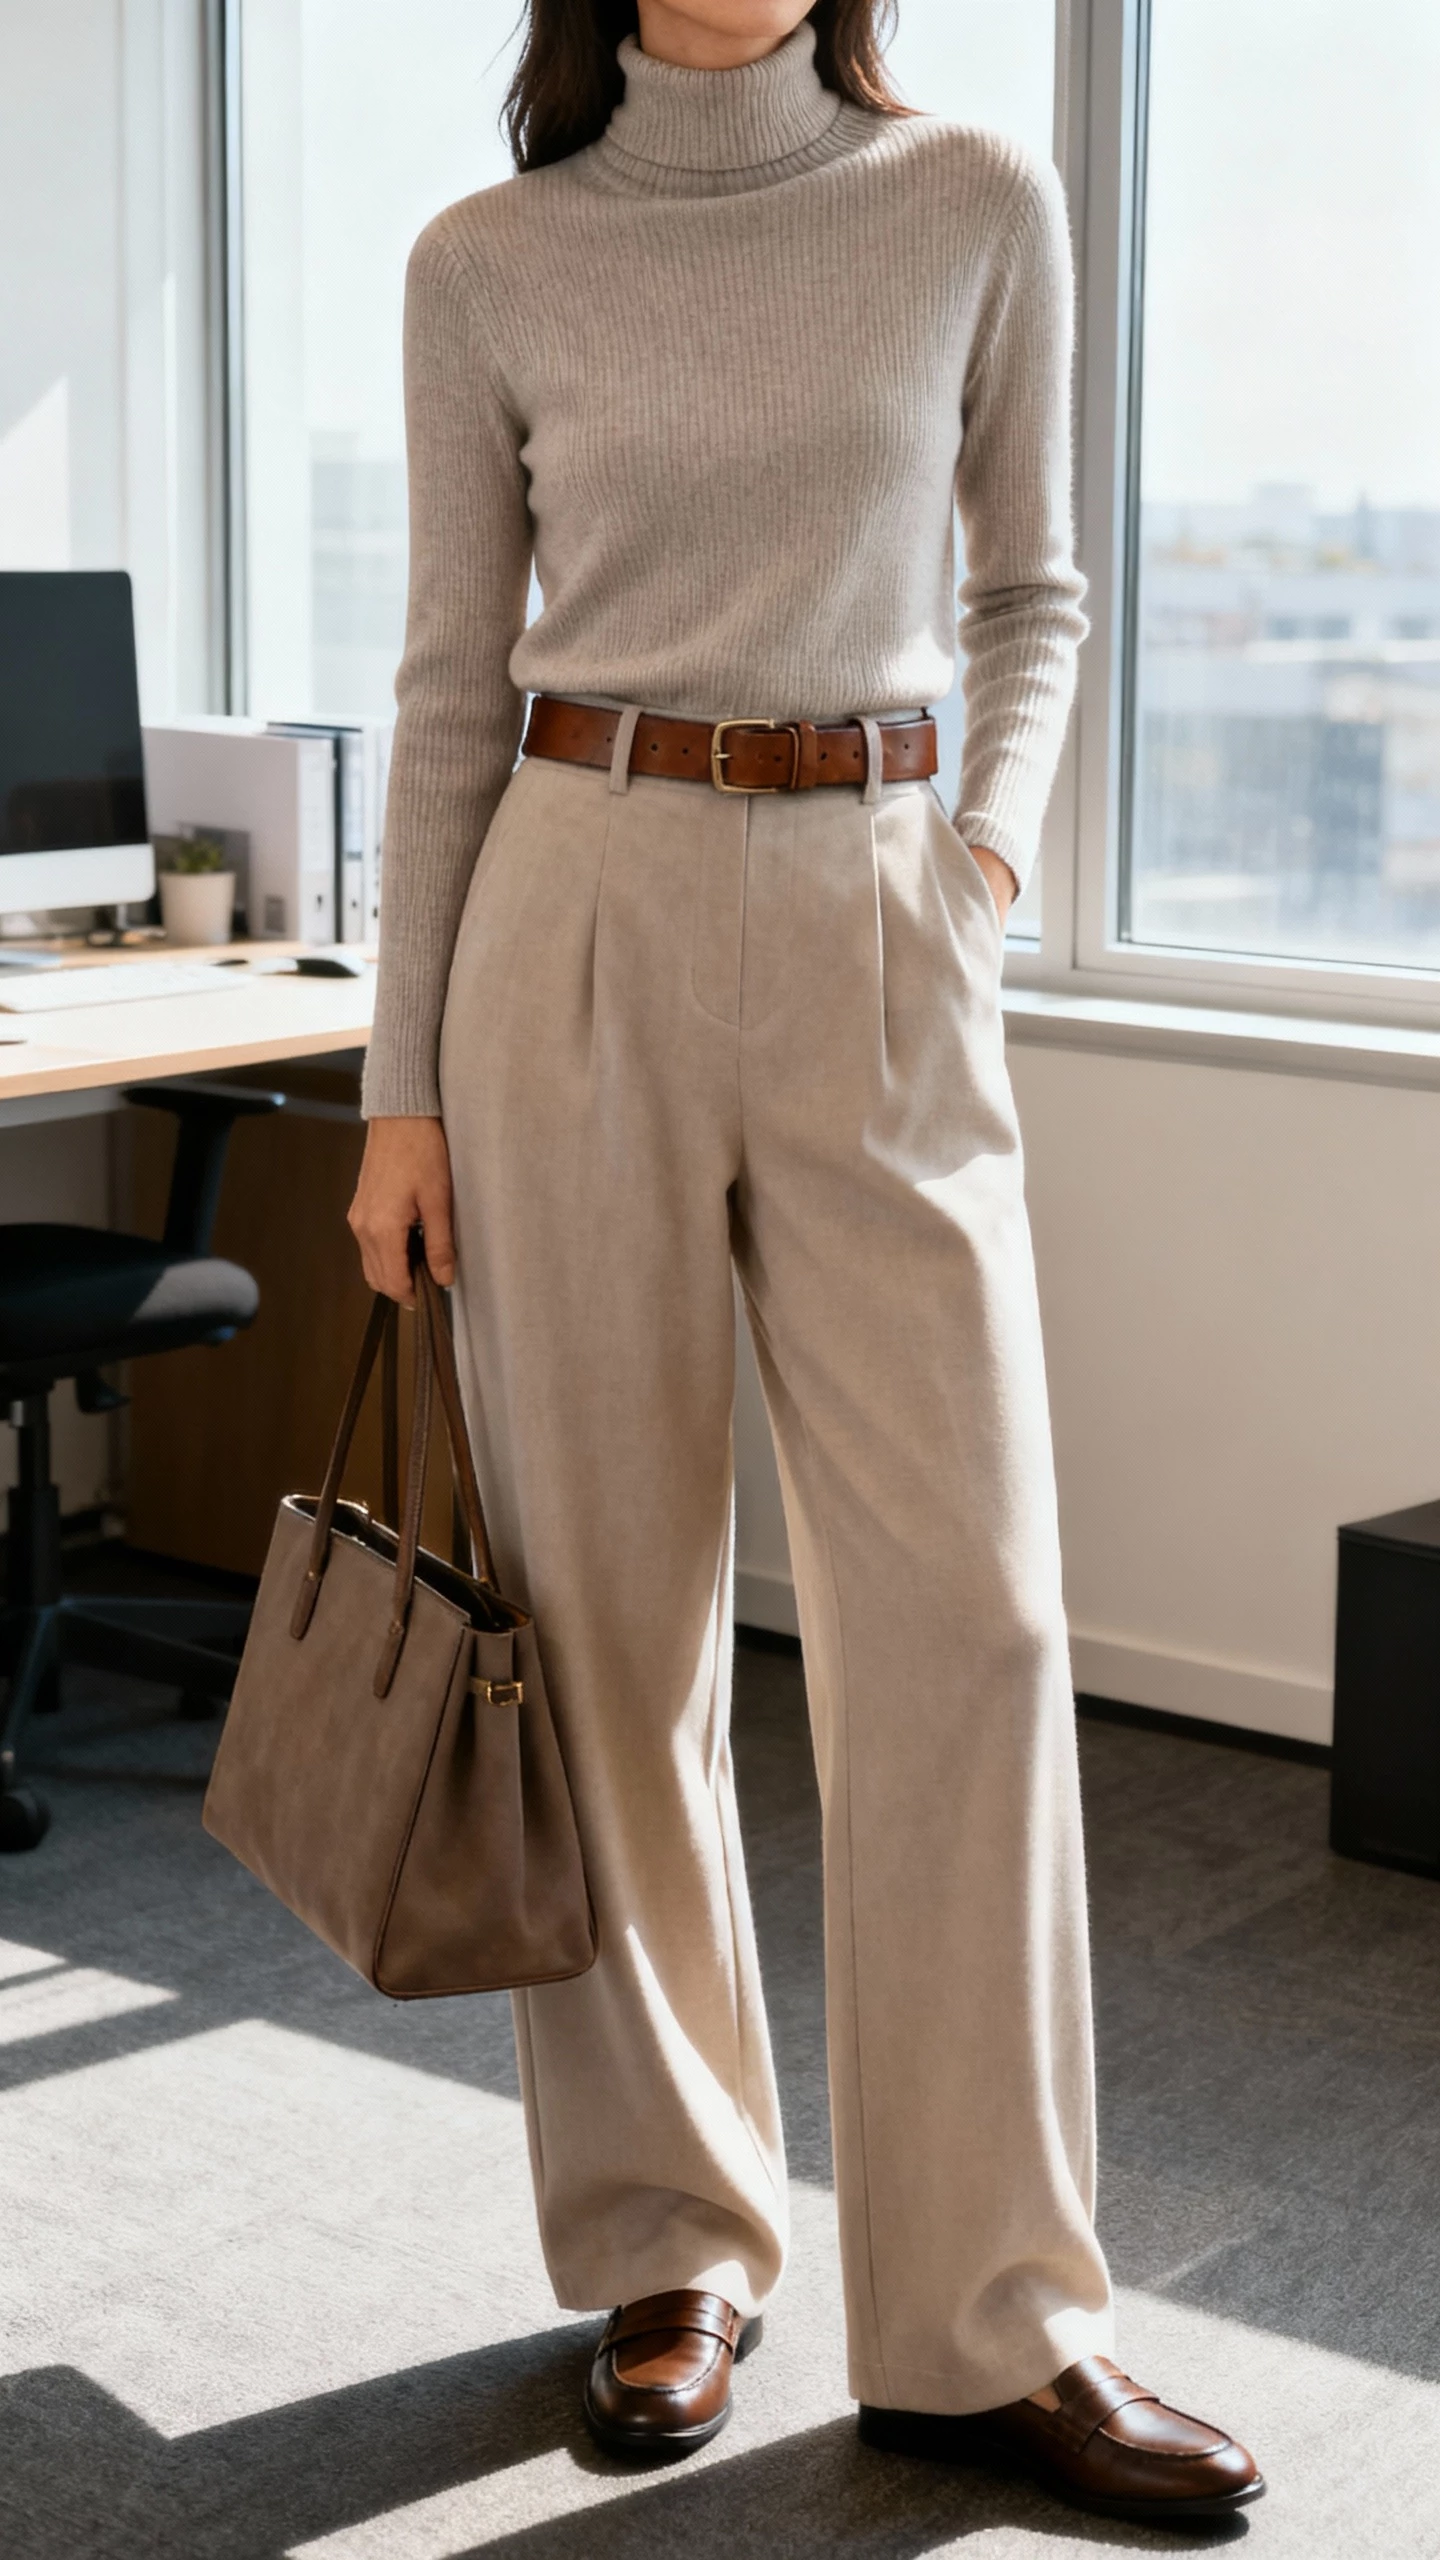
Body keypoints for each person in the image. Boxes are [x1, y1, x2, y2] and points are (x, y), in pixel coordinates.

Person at [348, 0, 1262, 2523]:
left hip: (878, 911)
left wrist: (968, 871)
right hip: (574, 918)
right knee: (614, 1623)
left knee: (966, 1618)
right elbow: (444, 687)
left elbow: (1036, 592)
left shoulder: (972, 198)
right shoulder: (486, 256)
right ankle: (675, 2235)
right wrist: (395, 1086)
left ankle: (991, 2319)